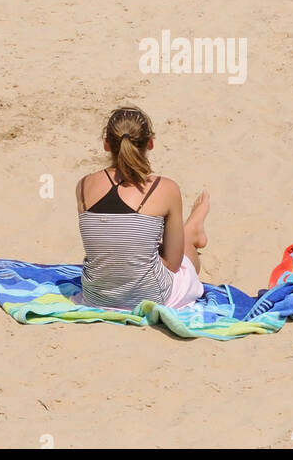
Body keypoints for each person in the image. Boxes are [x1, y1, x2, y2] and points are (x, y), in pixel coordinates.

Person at [76, 105, 210, 311]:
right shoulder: (165, 188)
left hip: (96, 297)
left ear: (106, 144)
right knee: (186, 258)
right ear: (150, 143)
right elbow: (172, 264)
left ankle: (191, 229)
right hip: (151, 297)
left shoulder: (84, 185)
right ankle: (192, 231)